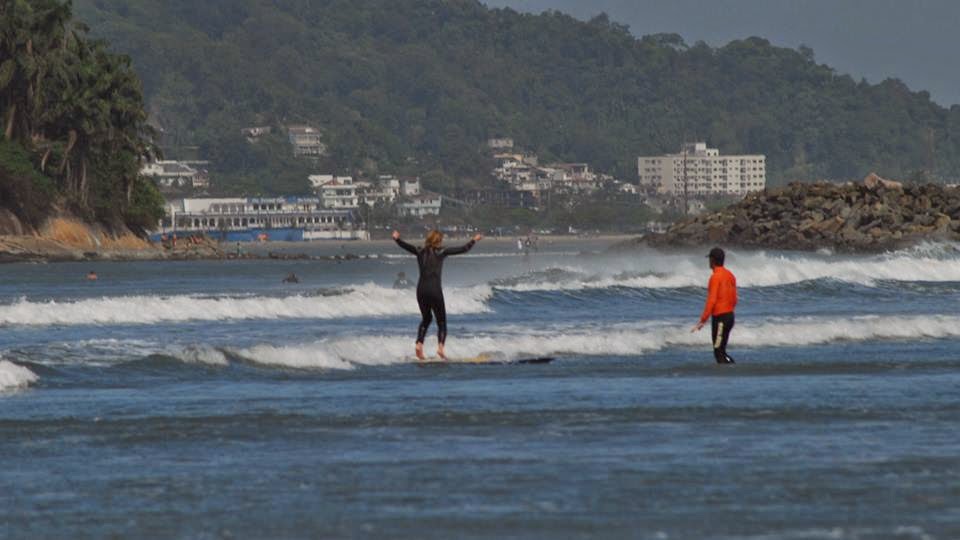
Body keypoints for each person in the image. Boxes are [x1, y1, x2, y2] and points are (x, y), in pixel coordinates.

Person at [393, 229, 483, 360]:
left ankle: (419, 344)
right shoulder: (442, 251)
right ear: (439, 240)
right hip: (434, 289)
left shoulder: (419, 251)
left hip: (421, 290)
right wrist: (474, 240)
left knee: (426, 319)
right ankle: (440, 349)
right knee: (441, 322)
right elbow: (463, 249)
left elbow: (405, 246)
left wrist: (397, 239)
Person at [691, 247, 737, 364]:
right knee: (721, 350)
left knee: (718, 351)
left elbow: (711, 300)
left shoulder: (715, 277)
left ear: (712, 260)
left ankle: (729, 372)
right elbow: (735, 298)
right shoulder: (730, 275)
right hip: (730, 316)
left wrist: (702, 320)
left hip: (720, 318)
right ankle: (730, 369)